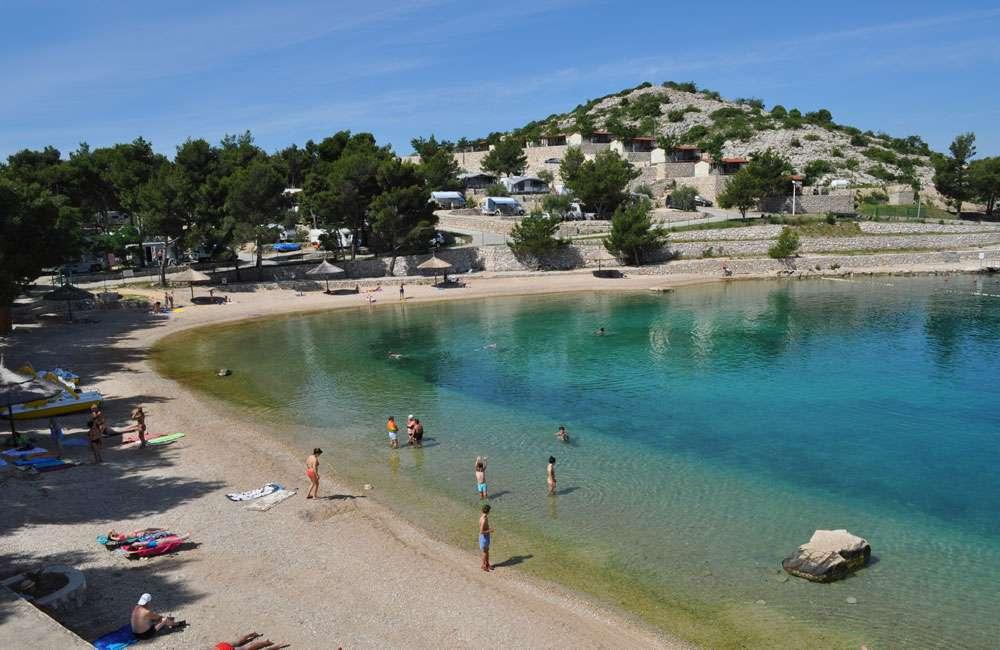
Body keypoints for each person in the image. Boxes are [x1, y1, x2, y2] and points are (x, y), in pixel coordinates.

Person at [216, 632, 289, 650]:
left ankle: (267, 643)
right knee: (237, 642)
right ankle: (250, 634)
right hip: (219, 647)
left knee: (248, 648)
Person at [479, 504, 494, 572]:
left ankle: (487, 564)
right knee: (485, 552)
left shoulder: (483, 517)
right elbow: (481, 531)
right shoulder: (484, 519)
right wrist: (490, 530)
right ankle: (483, 565)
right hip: (484, 537)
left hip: (485, 537)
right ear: (488, 511)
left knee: (487, 551)